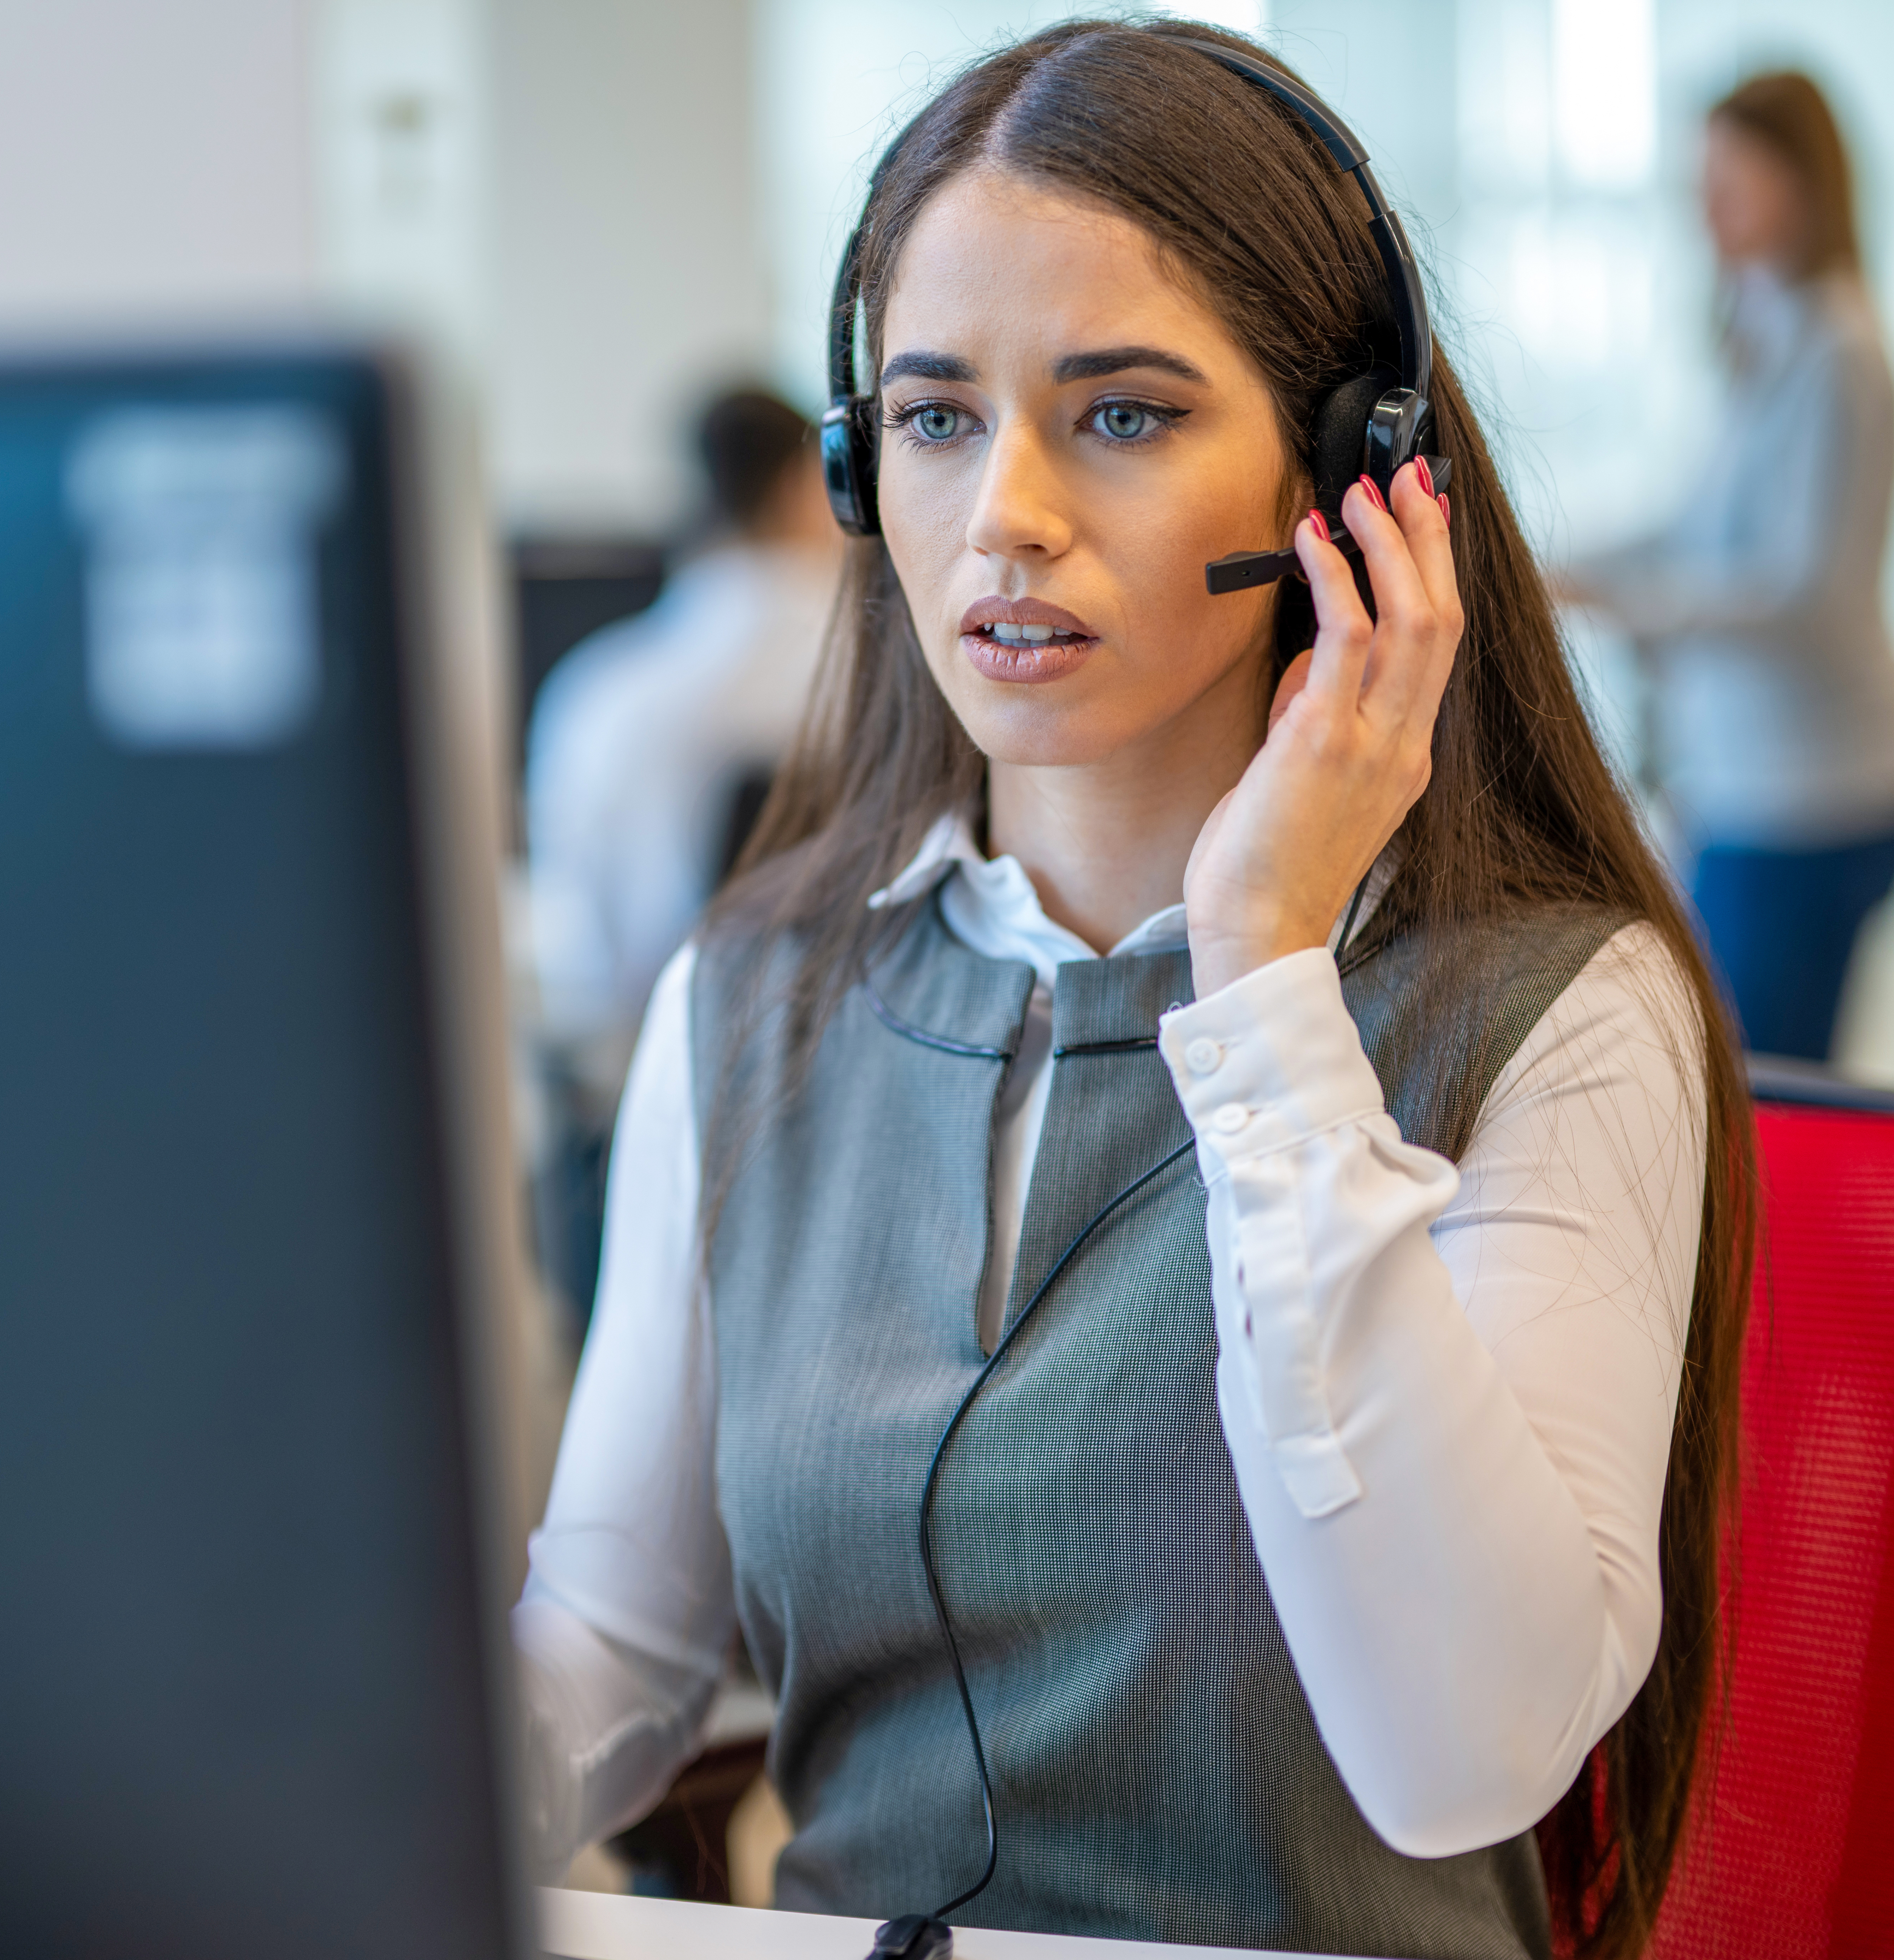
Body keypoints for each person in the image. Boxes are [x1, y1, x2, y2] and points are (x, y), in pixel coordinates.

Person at [510, 22, 1751, 1960]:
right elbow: (621, 1631)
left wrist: (1263, 964)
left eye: (1121, 412)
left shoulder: (1553, 1009)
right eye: (930, 417)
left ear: (1359, 474)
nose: (1003, 511)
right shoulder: (755, 995)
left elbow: (1459, 1750)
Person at [1561, 70, 1894, 1062]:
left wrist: (1630, 604)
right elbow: (1694, 525)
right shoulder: (1765, 331)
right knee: (1746, 1072)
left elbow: (1808, 588)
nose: (1703, 204)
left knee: (1765, 1086)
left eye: (1729, 177)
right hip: (1748, 777)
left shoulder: (1841, 350)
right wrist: (1549, 563)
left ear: (1801, 185)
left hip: (1817, 784)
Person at [524, 388, 845, 1107]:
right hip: (863, 1083)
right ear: (805, 489)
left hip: (657, 1094)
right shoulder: (898, 674)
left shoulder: (600, 695)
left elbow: (582, 972)